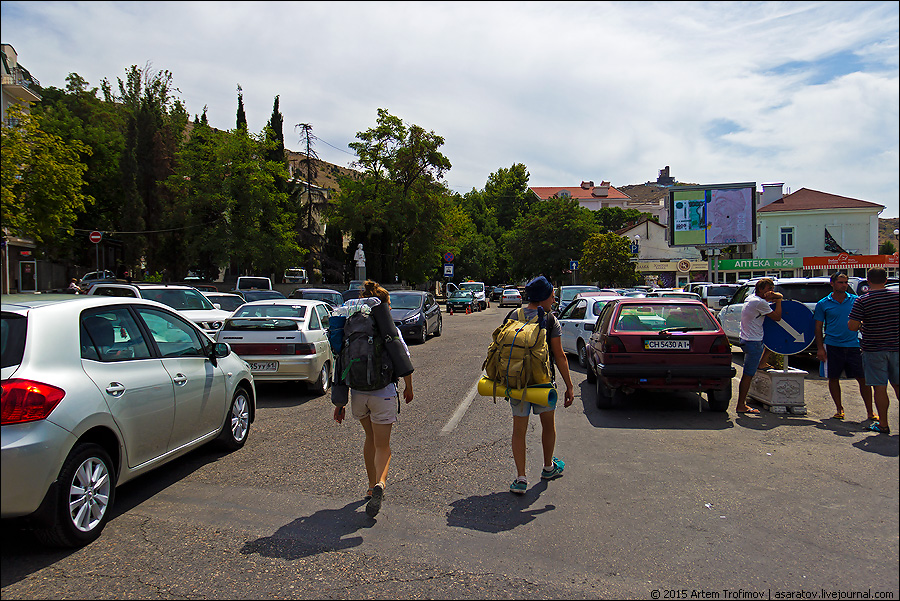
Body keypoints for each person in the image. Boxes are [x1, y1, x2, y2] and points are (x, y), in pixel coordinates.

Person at [332, 280, 413, 516]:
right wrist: (409, 386)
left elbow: (340, 362)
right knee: (383, 445)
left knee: (369, 438)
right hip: (383, 393)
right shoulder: (387, 330)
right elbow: (402, 356)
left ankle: (369, 487)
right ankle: (380, 483)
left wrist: (340, 403)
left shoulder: (351, 325)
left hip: (357, 393)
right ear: (385, 305)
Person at [507, 276, 574, 495]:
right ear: (544, 297)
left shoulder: (513, 315)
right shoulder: (550, 320)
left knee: (519, 431)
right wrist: (570, 386)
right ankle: (548, 467)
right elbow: (560, 355)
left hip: (518, 383)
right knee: (548, 425)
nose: (554, 299)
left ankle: (520, 478)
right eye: (552, 295)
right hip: (543, 383)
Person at [813, 272, 875, 421]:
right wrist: (820, 348)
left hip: (854, 345)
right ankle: (839, 409)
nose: (844, 285)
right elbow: (818, 327)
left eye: (846, 282)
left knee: (863, 379)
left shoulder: (856, 300)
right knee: (833, 378)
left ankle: (870, 412)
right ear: (832, 284)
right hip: (832, 345)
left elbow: (865, 321)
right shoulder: (823, 303)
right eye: (840, 282)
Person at [848, 268, 899, 435]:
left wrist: (864, 323)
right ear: (886, 280)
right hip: (897, 347)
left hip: (874, 348)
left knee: (880, 387)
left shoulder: (863, 300)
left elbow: (853, 326)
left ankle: (883, 424)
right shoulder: (897, 297)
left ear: (868, 280)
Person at [735, 278, 783, 414]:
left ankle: (762, 363)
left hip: (747, 339)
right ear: (760, 290)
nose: (771, 292)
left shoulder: (751, 298)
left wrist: (772, 296)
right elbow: (777, 317)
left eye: (772, 289)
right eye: (768, 289)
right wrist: (778, 300)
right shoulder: (759, 303)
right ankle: (741, 405)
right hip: (753, 341)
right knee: (748, 375)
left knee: (769, 347)